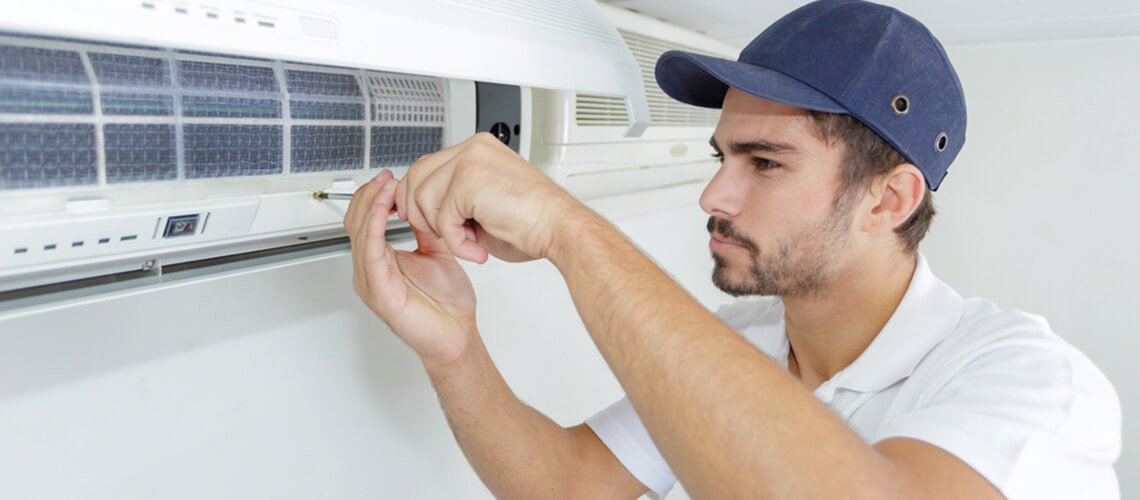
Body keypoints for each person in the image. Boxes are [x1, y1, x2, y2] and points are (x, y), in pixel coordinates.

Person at [343, 0, 1121, 497]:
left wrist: (567, 229)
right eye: (723, 157)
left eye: (766, 163)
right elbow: (569, 485)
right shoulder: (740, 342)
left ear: (889, 200)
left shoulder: (1030, 381)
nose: (714, 196)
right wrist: (454, 348)